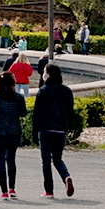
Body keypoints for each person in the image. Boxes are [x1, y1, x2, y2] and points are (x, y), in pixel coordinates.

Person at [34, 64, 76, 198]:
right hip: (61, 129)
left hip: (46, 129)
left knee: (46, 161)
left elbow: (37, 114)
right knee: (57, 158)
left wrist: (35, 131)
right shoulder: (66, 91)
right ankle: (66, 176)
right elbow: (70, 112)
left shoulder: (43, 91)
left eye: (45, 72)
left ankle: (49, 191)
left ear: (48, 75)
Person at [0, 73, 27, 201]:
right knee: (11, 159)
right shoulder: (18, 98)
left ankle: (3, 191)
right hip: (14, 131)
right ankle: (12, 188)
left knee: (0, 161)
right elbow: (23, 113)